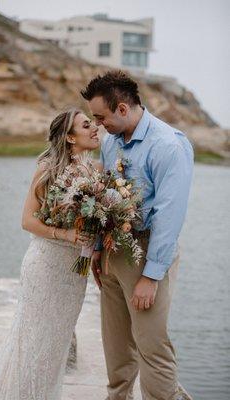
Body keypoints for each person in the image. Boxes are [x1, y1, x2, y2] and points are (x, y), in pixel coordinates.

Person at [0, 108, 100, 400]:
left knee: (56, 347)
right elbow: (27, 221)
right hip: (46, 266)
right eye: (87, 125)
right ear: (69, 137)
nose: (95, 128)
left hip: (74, 274)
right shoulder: (48, 169)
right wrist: (67, 235)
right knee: (32, 344)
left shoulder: (95, 172)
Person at [81, 71, 194, 400]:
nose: (98, 125)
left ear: (121, 109)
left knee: (152, 346)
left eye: (101, 117)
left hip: (146, 253)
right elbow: (103, 194)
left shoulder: (168, 146)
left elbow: (169, 216)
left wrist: (151, 275)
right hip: (113, 253)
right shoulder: (111, 141)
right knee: (115, 345)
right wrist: (99, 249)